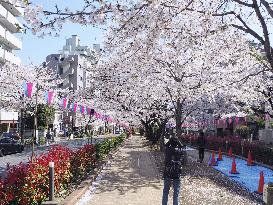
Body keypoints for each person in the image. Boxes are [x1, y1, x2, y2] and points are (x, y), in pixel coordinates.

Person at [162, 132, 184, 205]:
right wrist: (177, 140)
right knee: (176, 192)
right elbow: (182, 146)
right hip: (177, 173)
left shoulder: (167, 150)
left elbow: (165, 145)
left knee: (165, 191)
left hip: (168, 172)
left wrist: (170, 140)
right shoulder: (180, 150)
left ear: (170, 143)